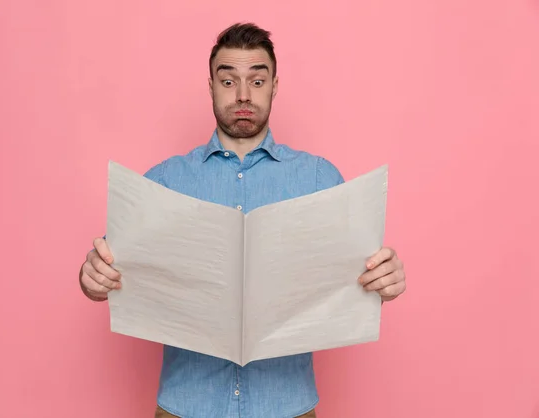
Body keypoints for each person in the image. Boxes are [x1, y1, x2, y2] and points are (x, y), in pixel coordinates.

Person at [79, 22, 406, 418]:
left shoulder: (319, 179)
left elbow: (355, 279)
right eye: (228, 80)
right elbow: (110, 268)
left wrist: (384, 281)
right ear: (211, 86)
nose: (244, 95)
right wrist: (92, 277)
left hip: (288, 406)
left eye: (257, 79)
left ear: (275, 85)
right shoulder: (165, 180)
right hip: (186, 406)